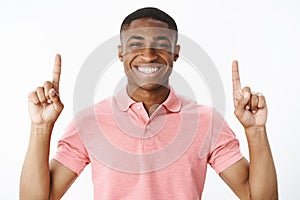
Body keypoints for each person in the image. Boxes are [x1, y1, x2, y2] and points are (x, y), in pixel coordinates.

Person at [20, 7, 278, 200]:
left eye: (160, 45)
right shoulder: (90, 121)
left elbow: (258, 197)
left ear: (176, 52)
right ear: (120, 52)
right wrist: (41, 128)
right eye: (136, 45)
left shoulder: (206, 121)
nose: (148, 54)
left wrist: (255, 131)